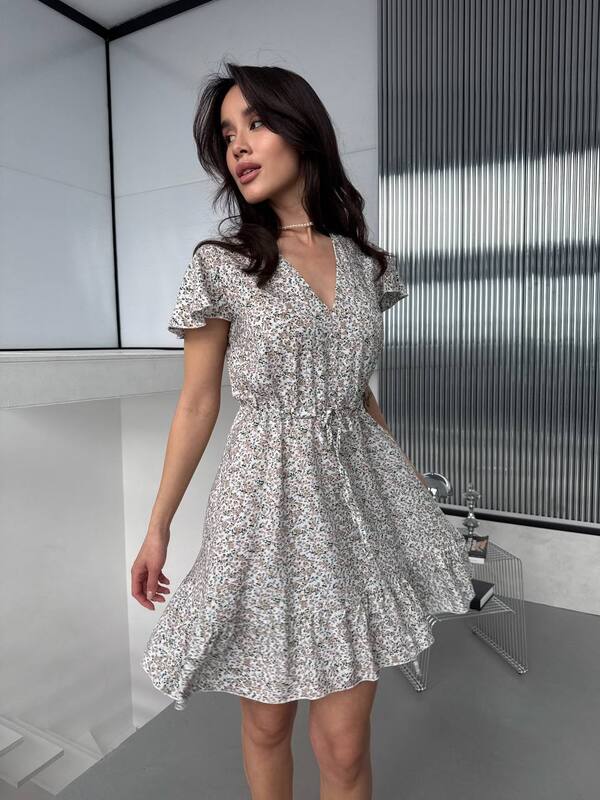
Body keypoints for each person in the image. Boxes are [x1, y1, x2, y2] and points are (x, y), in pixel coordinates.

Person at [131, 62, 475, 800]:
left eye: (255, 123)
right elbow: (197, 404)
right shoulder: (222, 265)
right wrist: (158, 527)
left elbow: (357, 391)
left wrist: (405, 480)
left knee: (345, 747)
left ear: (302, 129)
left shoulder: (365, 264)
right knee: (266, 726)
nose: (238, 146)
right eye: (227, 135)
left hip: (353, 505)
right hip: (264, 506)